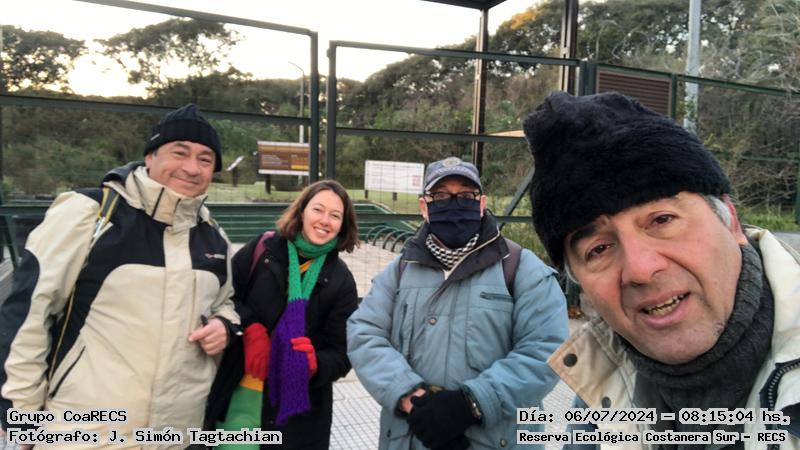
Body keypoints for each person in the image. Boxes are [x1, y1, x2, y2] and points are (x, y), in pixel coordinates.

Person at [523, 91, 800, 449]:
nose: (640, 269)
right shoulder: (600, 399)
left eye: (662, 220)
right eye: (599, 249)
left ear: (730, 220)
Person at [0, 104, 240, 448]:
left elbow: (225, 303)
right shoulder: (89, 213)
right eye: (180, 153)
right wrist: (21, 417)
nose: (192, 168)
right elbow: (29, 313)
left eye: (205, 159)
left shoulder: (214, 236)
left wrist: (224, 326)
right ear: (151, 156)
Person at [347, 156, 570, 450]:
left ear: (481, 204)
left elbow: (548, 349)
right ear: (424, 206)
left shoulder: (521, 268)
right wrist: (409, 396)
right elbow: (364, 332)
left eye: (465, 196)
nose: (454, 204)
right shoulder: (399, 270)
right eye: (440, 196)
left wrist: (472, 403)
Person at [205, 180, 360, 450]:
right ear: (302, 211)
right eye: (318, 210)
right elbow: (225, 295)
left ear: (343, 225)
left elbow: (343, 353)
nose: (325, 221)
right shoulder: (263, 249)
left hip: (296, 417)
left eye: (335, 215)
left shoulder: (341, 280)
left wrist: (315, 364)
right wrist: (250, 328)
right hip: (238, 390)